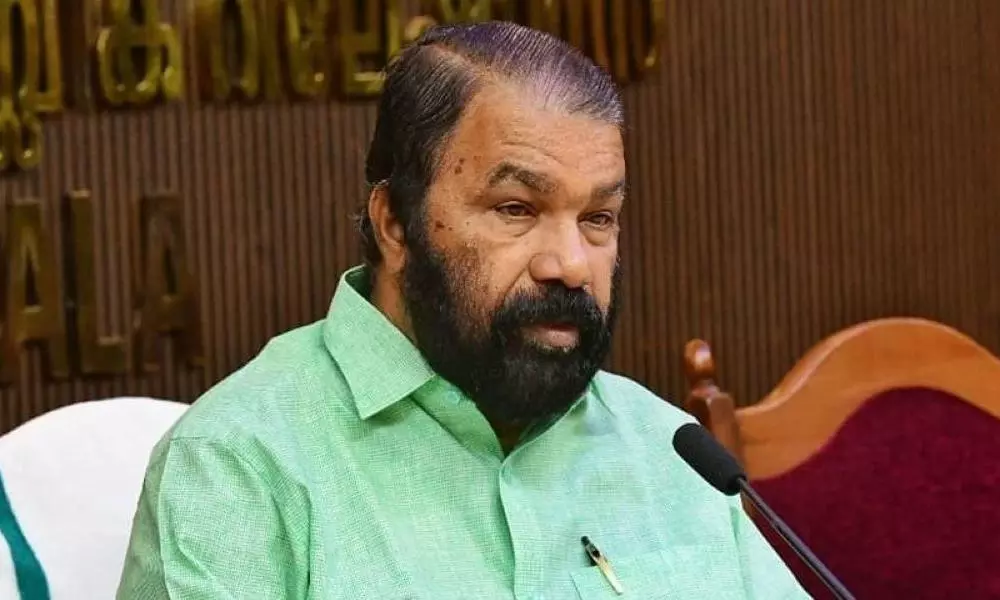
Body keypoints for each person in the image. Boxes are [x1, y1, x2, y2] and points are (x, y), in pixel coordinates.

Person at [117, 21, 808, 600]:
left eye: (598, 217)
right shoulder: (238, 467)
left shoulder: (669, 452)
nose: (571, 264)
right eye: (516, 208)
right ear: (395, 223)